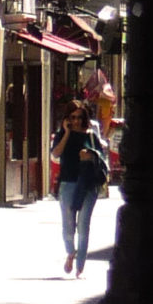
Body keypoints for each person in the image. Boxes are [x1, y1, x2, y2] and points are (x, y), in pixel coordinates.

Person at [56, 96, 111, 276]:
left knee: (84, 224)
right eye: (73, 117)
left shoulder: (91, 136)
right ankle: (70, 252)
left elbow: (103, 158)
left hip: (88, 183)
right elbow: (56, 154)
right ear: (67, 118)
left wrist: (90, 155)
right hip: (68, 182)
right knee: (68, 223)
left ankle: (80, 266)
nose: (77, 121)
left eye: (80, 117)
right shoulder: (62, 134)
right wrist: (66, 133)